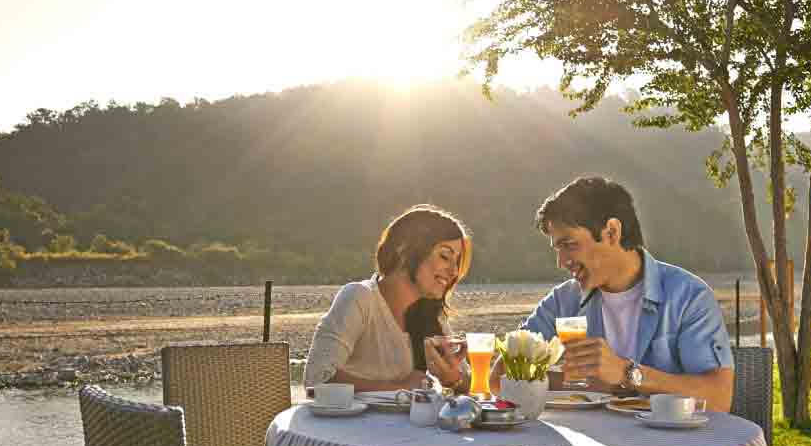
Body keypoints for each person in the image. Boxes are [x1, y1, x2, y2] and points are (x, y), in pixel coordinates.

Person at [494, 176, 734, 411]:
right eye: (558, 249)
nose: (561, 261)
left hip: (668, 438)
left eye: (569, 245)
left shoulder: (689, 297)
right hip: (590, 438)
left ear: (611, 232)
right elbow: (499, 378)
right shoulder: (562, 301)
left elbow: (719, 398)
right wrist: (590, 384)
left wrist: (626, 373)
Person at [303, 204, 472, 393]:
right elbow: (316, 378)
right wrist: (399, 390)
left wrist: (453, 379)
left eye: (457, 261)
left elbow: (469, 384)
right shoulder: (359, 298)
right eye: (445, 256)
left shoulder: (430, 314)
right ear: (405, 251)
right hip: (347, 415)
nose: (454, 271)